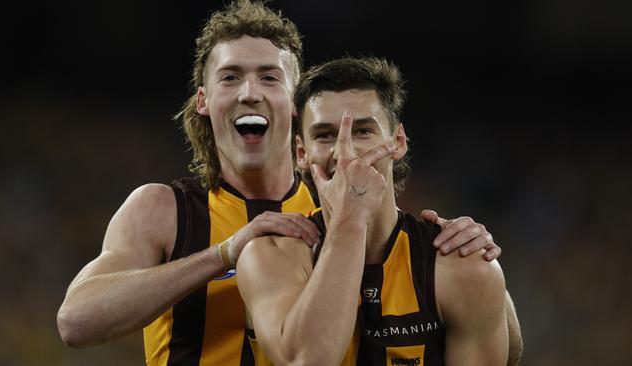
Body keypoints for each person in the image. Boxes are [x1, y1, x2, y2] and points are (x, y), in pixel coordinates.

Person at [56, 1, 504, 365]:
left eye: (269, 76)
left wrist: (470, 252)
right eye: (230, 77)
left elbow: (495, 338)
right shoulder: (164, 209)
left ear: (294, 103)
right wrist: (223, 254)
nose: (250, 91)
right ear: (204, 100)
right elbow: (76, 322)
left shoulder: (335, 206)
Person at [237, 57, 523, 365]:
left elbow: (511, 351)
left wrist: (491, 282)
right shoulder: (268, 255)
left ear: (397, 142)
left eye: (362, 131)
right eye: (325, 135)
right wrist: (352, 219)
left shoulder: (461, 267)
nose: (345, 152)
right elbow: (306, 360)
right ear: (302, 154)